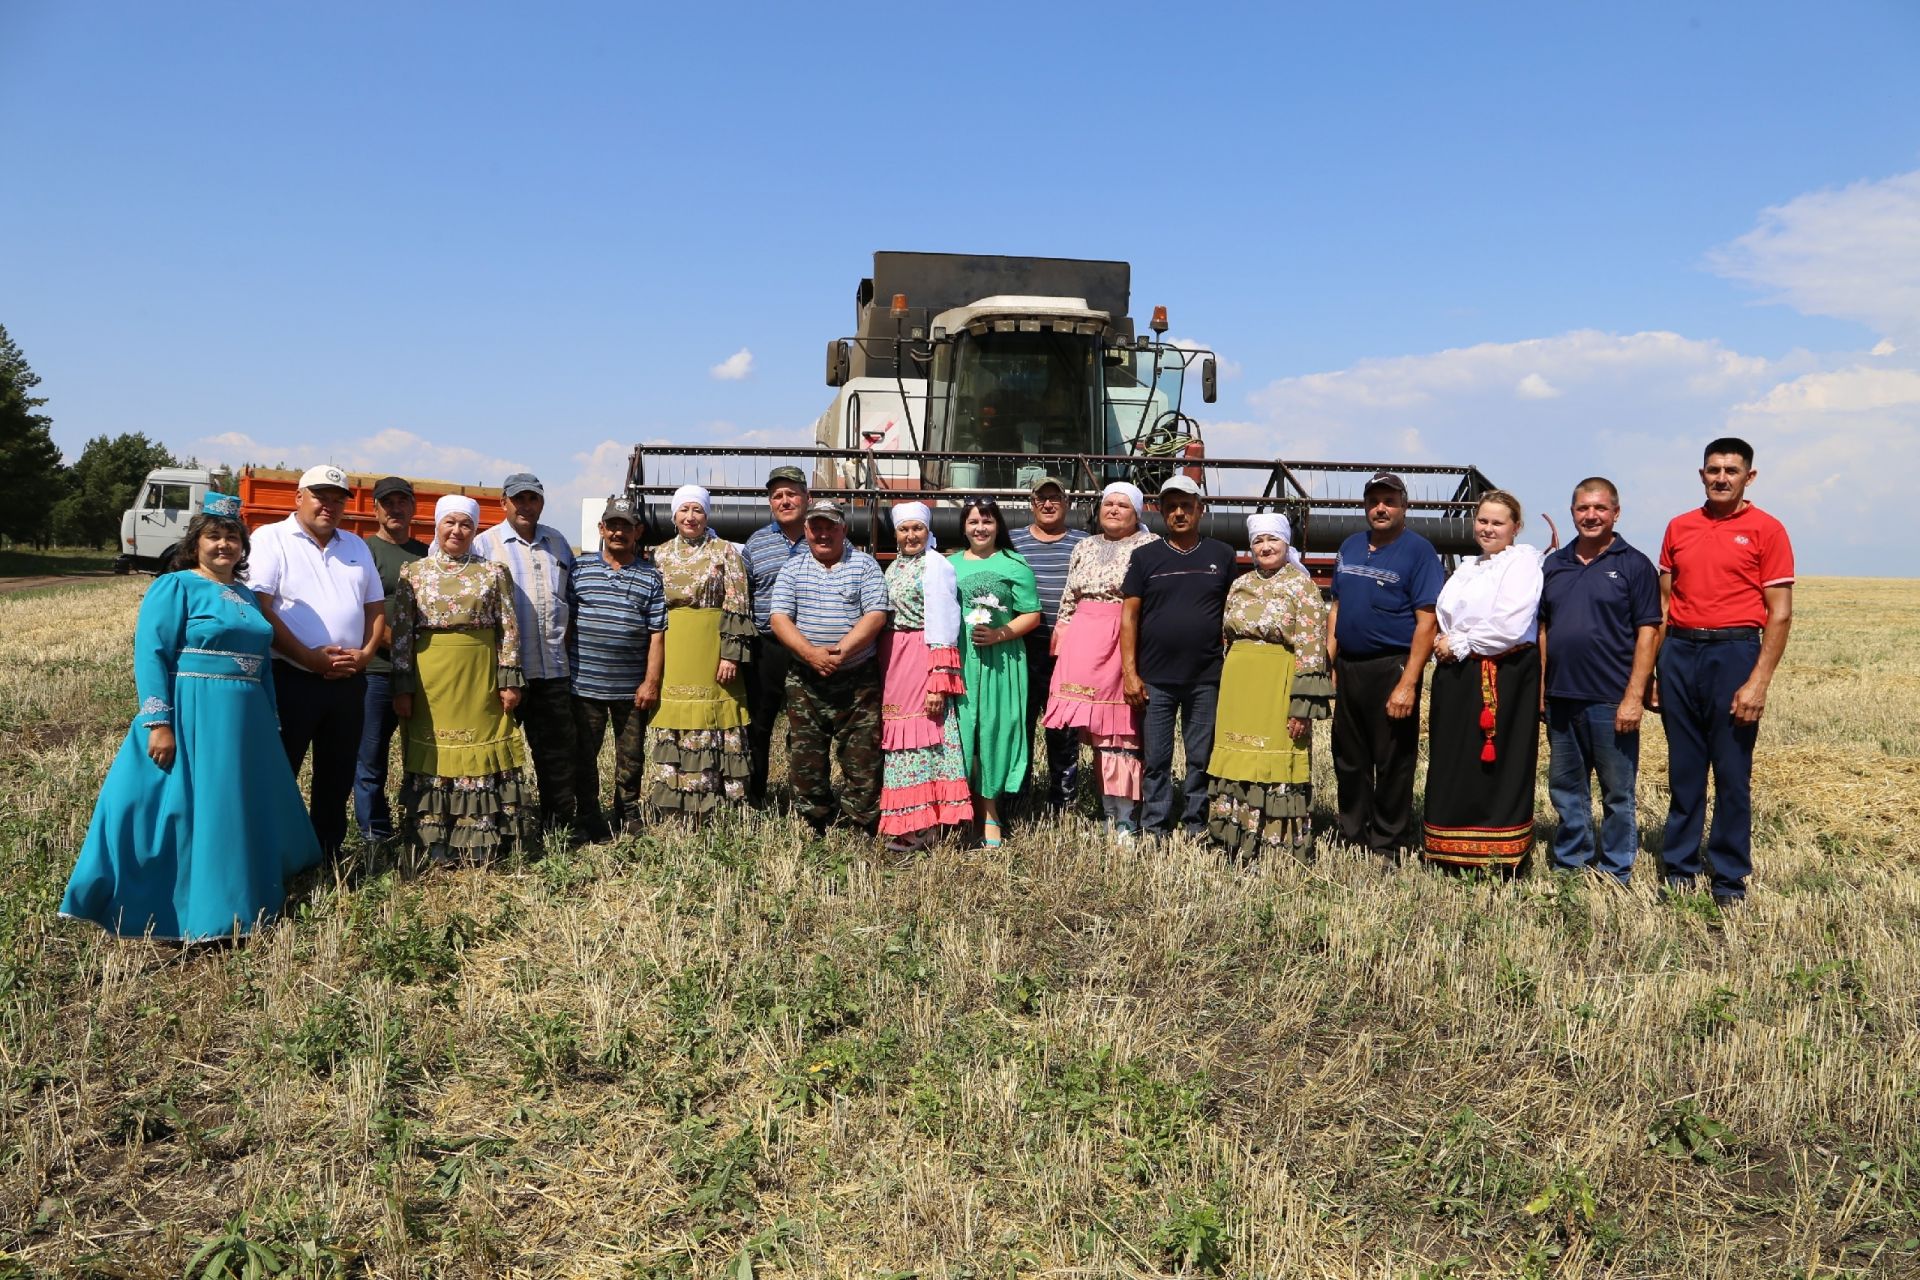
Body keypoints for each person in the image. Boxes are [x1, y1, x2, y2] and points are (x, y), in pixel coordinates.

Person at [61, 494, 322, 940]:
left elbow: (261, 661)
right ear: (196, 543)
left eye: (233, 537)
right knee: (180, 807)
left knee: (233, 808)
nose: (224, 545)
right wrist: (158, 723)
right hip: (195, 712)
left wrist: (270, 717)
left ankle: (242, 905)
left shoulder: (243, 594)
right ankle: (183, 909)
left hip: (246, 721)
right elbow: (151, 655)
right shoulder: (175, 586)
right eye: (214, 536)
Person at [1652, 437, 1794, 907]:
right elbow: (1666, 603)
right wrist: (1654, 670)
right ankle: (1680, 868)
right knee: (1684, 772)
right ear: (1701, 474)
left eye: (1731, 471)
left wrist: (1758, 681)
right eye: (1713, 470)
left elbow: (1779, 614)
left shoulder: (1767, 530)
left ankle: (1730, 877)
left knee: (1732, 774)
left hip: (1734, 653)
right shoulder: (1679, 527)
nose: (1721, 478)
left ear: (1749, 477)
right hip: (1679, 652)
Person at [246, 464, 386, 862]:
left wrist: (366, 654)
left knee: (337, 773)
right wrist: (307, 657)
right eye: (320, 495)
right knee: (281, 770)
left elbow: (374, 607)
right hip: (292, 678)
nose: (329, 504)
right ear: (299, 498)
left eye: (338, 498)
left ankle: (325, 851)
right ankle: (273, 854)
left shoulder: (355, 546)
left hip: (347, 681)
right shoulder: (271, 538)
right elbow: (261, 607)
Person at [390, 496, 532, 865]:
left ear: (475, 529)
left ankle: (479, 843)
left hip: (480, 677)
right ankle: (434, 844)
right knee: (435, 757)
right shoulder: (413, 572)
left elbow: (508, 628)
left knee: (479, 755)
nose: (457, 530)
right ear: (436, 525)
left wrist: (509, 679)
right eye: (449, 522)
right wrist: (403, 686)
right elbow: (403, 633)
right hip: (430, 680)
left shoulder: (493, 572)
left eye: (466, 524)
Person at [1538, 478, 1661, 886]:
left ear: (1616, 513)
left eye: (1600, 508)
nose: (1591, 516)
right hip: (1561, 695)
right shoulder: (1554, 564)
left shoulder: (1634, 564)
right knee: (1566, 788)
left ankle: (1615, 868)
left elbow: (1648, 632)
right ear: (1572, 512)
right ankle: (1572, 860)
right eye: (1583, 508)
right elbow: (1542, 629)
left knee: (1617, 792)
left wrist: (1634, 696)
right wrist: (1542, 688)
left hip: (1611, 699)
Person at [1421, 490, 1545, 873]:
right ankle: (1448, 849)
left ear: (1515, 527)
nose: (1488, 528)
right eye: (1483, 521)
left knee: (1496, 760)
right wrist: (1446, 640)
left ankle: (1496, 854)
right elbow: (1447, 614)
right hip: (1458, 672)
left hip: (1503, 674)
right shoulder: (1468, 567)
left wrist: (1458, 642)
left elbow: (1509, 624)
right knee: (1452, 757)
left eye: (1498, 522)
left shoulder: (1522, 564)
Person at [1328, 471, 1443, 859]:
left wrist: (1409, 682)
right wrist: (1331, 662)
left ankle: (1387, 841)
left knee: (1392, 759)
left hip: (1390, 667)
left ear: (1404, 506)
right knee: (1348, 757)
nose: (1381, 508)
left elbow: (1427, 622)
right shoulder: (1350, 545)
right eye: (1374, 500)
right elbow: (1337, 607)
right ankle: (1353, 834)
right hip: (1349, 665)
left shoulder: (1419, 551)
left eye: (1389, 501)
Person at [1206, 514, 1332, 858]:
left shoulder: (1302, 586)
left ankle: (1270, 843)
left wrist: (1302, 705)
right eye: (1258, 541)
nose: (1265, 547)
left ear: (1286, 543)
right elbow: (1226, 638)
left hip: (1278, 679)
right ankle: (1232, 837)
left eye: (1272, 540)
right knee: (1235, 757)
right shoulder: (1239, 583)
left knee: (1274, 758)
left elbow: (1311, 649)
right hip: (1238, 684)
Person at [767, 499, 892, 837]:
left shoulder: (865, 566)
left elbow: (876, 615)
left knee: (862, 754)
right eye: (816, 527)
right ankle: (815, 819)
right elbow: (779, 618)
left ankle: (861, 821)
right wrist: (811, 654)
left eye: (830, 527)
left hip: (857, 678)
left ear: (843, 529)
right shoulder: (793, 569)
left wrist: (839, 651)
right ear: (806, 530)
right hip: (806, 679)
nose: (823, 534)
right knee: (805, 755)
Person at [1121, 475, 1237, 839]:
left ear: (1200, 509)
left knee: (1200, 759)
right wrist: (1130, 673)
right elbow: (1129, 617)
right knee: (1156, 760)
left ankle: (1196, 825)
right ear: (1162, 512)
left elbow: (1235, 612)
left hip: (1206, 677)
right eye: (1171, 506)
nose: (1179, 512)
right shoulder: (1144, 557)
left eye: (1186, 505)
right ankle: (1154, 826)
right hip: (1155, 677)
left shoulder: (1222, 555)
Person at [1043, 481, 1159, 835]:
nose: (1113, 510)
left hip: (1121, 636)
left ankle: (1125, 815)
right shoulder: (1084, 545)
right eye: (1108, 503)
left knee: (1119, 732)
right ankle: (1104, 809)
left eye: (1122, 505)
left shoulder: (1149, 546)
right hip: (1082, 637)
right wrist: (1061, 639)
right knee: (1092, 731)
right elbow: (1068, 598)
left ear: (1137, 512)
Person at [475, 472, 579, 841]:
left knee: (556, 755)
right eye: (518, 499)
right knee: (498, 753)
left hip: (552, 670)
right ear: (503, 502)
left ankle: (558, 826)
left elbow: (571, 600)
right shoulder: (484, 546)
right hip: (505, 674)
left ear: (542, 503)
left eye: (532, 499)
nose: (525, 506)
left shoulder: (558, 544)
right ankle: (502, 827)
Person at [648, 485, 754, 820]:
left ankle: (717, 803)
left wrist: (730, 654)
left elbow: (738, 604)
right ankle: (678, 805)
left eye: (697, 510)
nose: (690, 517)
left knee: (716, 720)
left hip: (712, 646)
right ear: (674, 515)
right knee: (676, 718)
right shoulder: (660, 554)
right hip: (674, 647)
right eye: (684, 510)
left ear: (706, 514)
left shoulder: (725, 552)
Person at [568, 495, 667, 841]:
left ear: (638, 531)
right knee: (583, 756)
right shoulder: (579, 570)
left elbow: (657, 635)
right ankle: (589, 816)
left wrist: (650, 682)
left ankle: (627, 810)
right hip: (585, 686)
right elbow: (566, 625)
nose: (618, 532)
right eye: (612, 525)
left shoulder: (651, 578)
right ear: (601, 529)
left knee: (631, 755)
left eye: (625, 526)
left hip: (631, 688)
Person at [877, 502, 972, 849]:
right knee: (900, 738)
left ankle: (923, 824)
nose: (911, 535)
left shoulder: (935, 566)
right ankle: (910, 821)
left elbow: (944, 624)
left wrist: (938, 681)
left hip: (919, 653)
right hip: (894, 657)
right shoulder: (897, 566)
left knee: (922, 737)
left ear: (927, 530)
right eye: (904, 529)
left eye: (917, 528)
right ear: (896, 533)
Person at [950, 498, 1042, 847]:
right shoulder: (948, 564)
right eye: (973, 521)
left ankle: (990, 814)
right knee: (962, 736)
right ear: (963, 527)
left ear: (997, 526)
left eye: (987, 521)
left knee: (992, 732)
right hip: (960, 659)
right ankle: (964, 813)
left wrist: (1000, 633)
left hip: (1000, 660)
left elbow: (1031, 613)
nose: (980, 528)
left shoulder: (1015, 564)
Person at [354, 476, 429, 849]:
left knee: (424, 755)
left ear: (414, 508)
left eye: (403, 502)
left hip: (422, 675)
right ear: (375, 509)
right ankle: (375, 834)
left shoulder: (426, 554)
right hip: (377, 674)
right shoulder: (362, 552)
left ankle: (421, 824)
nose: (395, 509)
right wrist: (399, 649)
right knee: (371, 760)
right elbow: (359, 611)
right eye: (388, 503)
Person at [1009, 475, 1089, 812]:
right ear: (1032, 504)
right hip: (1022, 650)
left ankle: (1062, 800)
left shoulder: (1084, 543)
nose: (1048, 504)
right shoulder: (1012, 542)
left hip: (1069, 653)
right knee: (1020, 724)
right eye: (1041, 498)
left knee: (1064, 729)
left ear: (1067, 505)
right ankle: (1018, 796)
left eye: (1055, 498)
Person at [741, 465, 811, 806]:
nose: (785, 500)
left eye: (791, 493)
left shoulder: (823, 536)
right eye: (777, 495)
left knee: (806, 728)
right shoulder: (756, 543)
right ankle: (756, 796)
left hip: (812, 648)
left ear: (807, 497)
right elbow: (743, 596)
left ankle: (807, 797)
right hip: (767, 647)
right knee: (759, 724)